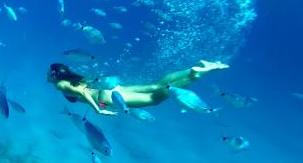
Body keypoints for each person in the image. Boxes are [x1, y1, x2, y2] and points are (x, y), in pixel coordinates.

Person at [47, 60, 229, 115]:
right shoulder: (69, 80)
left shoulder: (60, 85)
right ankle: (194, 70)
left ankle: (196, 74)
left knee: (154, 98)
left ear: (55, 75)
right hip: (112, 92)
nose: (47, 74)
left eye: (49, 72)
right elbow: (88, 86)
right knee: (156, 86)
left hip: (107, 98)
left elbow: (82, 92)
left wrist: (97, 110)